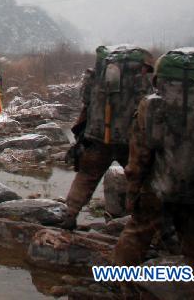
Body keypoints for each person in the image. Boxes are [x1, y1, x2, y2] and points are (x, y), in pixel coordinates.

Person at [113, 49, 194, 267]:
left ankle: (120, 282)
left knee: (137, 234)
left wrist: (133, 190)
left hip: (158, 187)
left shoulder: (151, 105)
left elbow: (140, 155)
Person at [60, 46, 154, 230]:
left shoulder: (97, 75)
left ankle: (69, 215)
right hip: (130, 140)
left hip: (97, 136)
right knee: (142, 180)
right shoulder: (142, 81)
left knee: (86, 176)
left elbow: (85, 100)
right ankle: (148, 226)